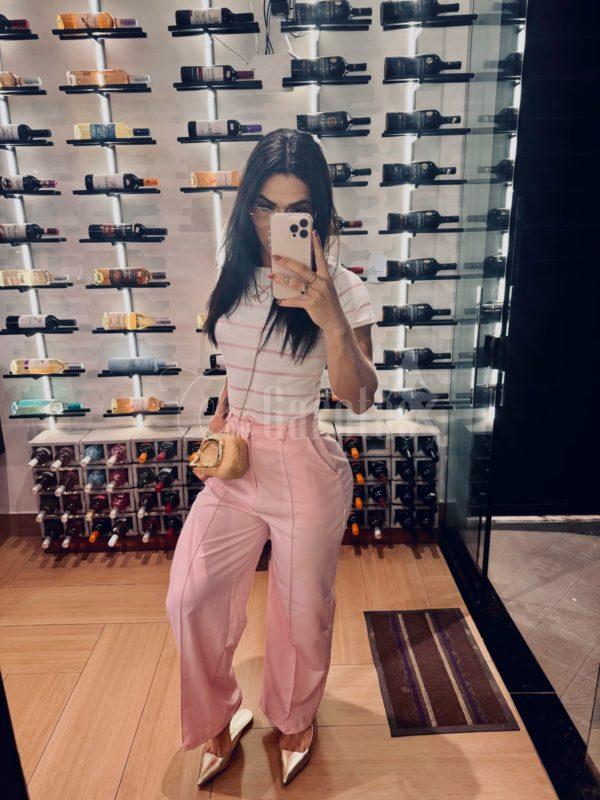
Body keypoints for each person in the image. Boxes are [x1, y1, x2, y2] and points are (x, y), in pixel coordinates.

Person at [165, 127, 378, 786]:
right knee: (189, 595)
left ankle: (294, 715)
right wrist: (221, 417)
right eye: (264, 206)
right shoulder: (230, 279)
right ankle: (217, 713)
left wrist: (331, 318)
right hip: (237, 460)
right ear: (246, 204)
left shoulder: (344, 289)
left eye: (295, 210)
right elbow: (239, 364)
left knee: (302, 609)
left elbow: (359, 398)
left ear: (318, 214)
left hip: (303, 459)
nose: (274, 223)